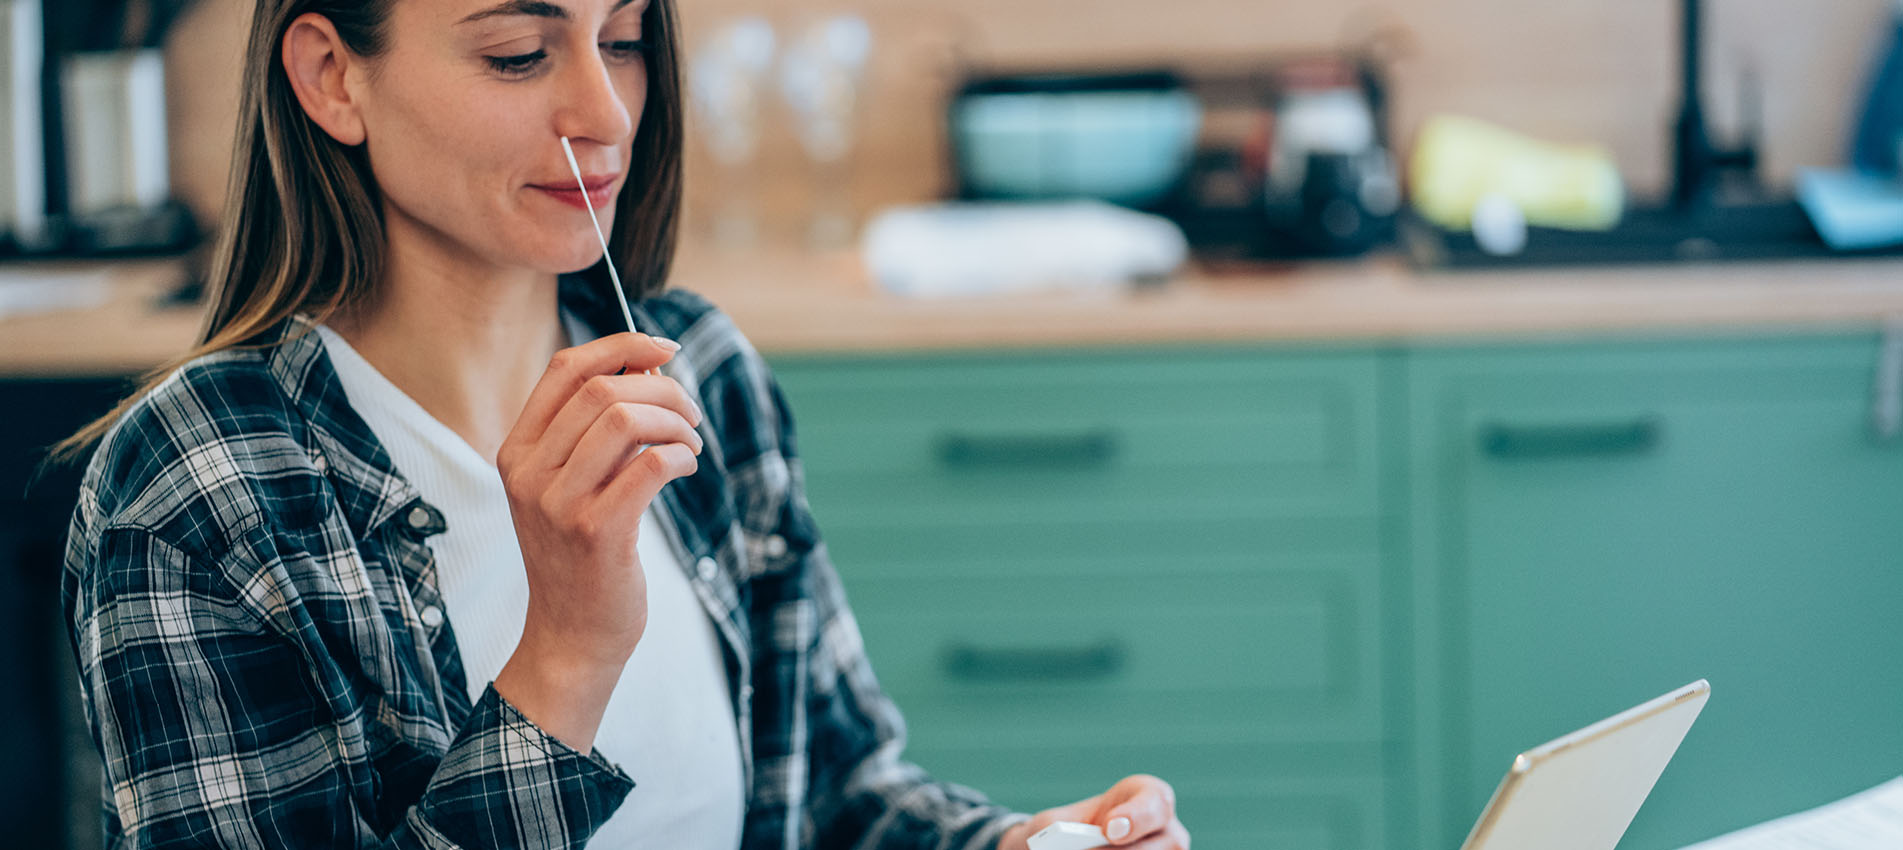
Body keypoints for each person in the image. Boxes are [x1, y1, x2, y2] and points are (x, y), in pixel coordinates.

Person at [56, 0, 1192, 848]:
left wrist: (1016, 840)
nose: (603, 114)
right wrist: (567, 652)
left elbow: (834, 791)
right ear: (331, 77)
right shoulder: (195, 486)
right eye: (516, 52)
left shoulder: (698, 366)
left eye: (625, 37)